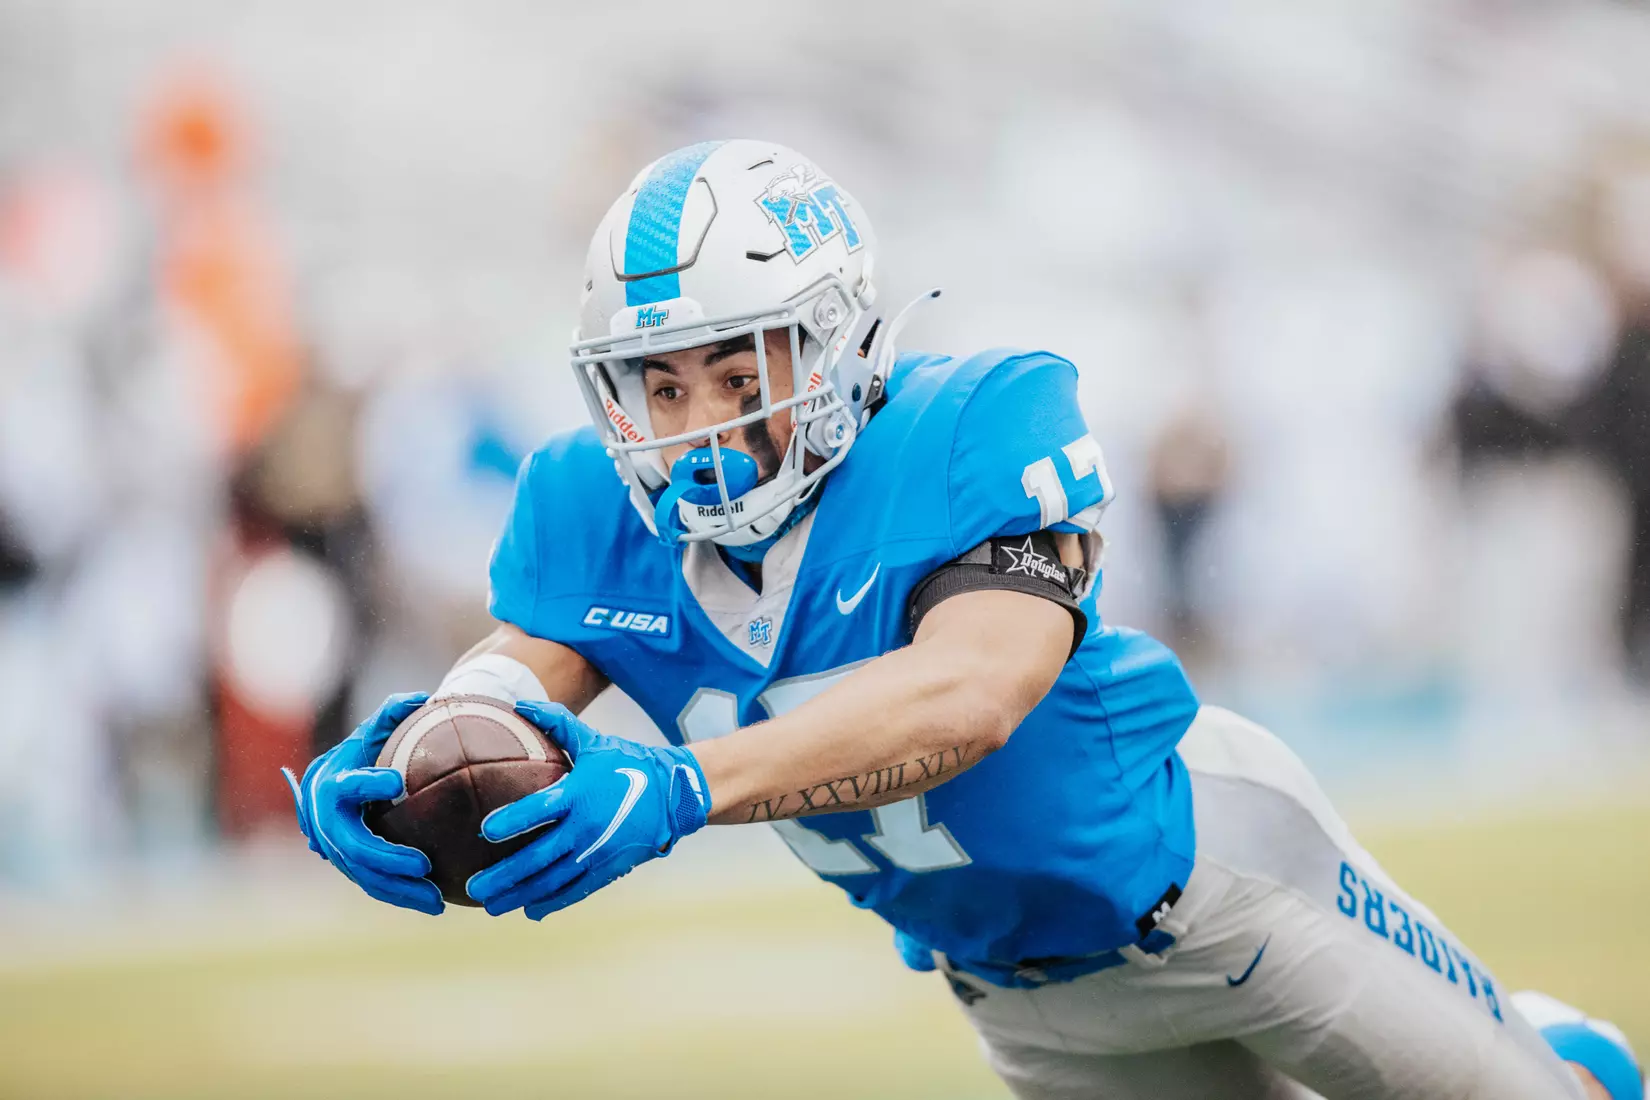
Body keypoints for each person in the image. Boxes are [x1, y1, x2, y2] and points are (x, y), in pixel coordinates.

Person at [287, 141, 1642, 1100]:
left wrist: (683, 789)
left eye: (733, 368)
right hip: (1019, 998)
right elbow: (518, 669)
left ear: (832, 344)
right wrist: (417, 748)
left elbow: (969, 695)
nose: (701, 423)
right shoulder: (588, 502)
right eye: (657, 384)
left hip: (1218, 892)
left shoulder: (972, 420)